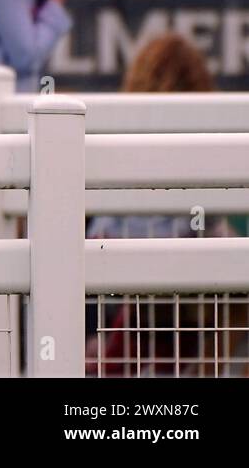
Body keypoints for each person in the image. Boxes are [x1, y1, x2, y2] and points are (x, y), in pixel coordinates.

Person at [85, 33, 244, 376]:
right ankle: (205, 370)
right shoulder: (208, 135)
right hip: (179, 260)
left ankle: (113, 360)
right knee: (232, 288)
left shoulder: (114, 128)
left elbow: (101, 221)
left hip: (110, 250)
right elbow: (207, 218)